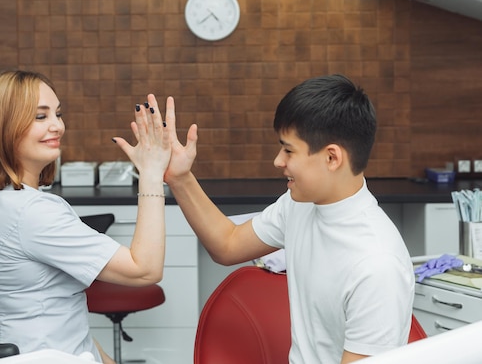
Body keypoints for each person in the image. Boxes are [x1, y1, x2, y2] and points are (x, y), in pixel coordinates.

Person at [163, 74, 415, 364]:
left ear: (332, 158)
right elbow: (227, 245)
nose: (278, 161)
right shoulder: (300, 206)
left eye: (288, 150)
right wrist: (180, 178)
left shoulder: (377, 266)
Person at [0, 70, 171, 364]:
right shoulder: (34, 211)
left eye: (58, 114)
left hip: (12, 351)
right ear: (4, 127)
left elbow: (60, 310)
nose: (57, 126)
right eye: (40, 116)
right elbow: (145, 269)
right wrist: (150, 173)